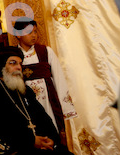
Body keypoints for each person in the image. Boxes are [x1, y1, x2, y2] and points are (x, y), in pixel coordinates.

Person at [12, 17, 76, 146]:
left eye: (35, 32)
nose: (34, 35)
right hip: (26, 104)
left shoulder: (45, 52)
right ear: (18, 34)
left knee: (52, 136)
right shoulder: (13, 55)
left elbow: (59, 79)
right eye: (29, 32)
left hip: (48, 102)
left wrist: (65, 110)